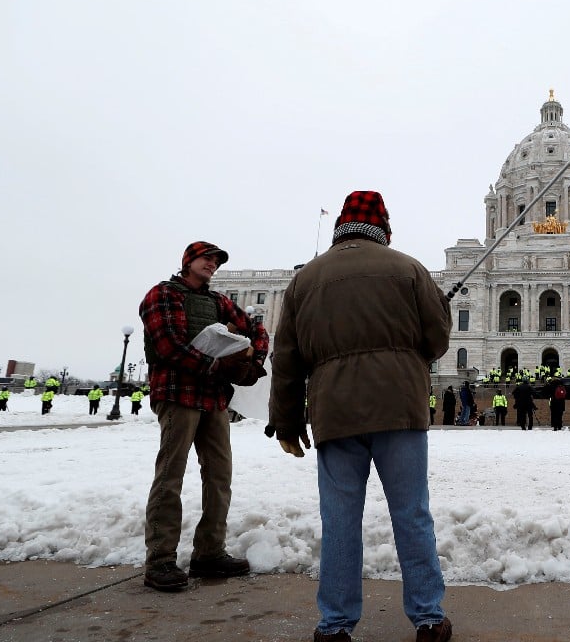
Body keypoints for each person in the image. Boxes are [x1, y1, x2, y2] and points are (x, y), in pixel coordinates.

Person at [268, 191, 453, 642]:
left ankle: (334, 625)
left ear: (340, 229)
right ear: (383, 227)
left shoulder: (305, 280)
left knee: (340, 521)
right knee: (412, 515)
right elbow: (438, 339)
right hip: (399, 409)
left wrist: (288, 423)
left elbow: (286, 359)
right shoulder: (408, 269)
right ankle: (428, 617)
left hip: (335, 412)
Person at [139, 240, 269, 592]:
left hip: (213, 398)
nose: (212, 264)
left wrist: (252, 362)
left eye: (216, 261)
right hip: (177, 394)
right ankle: (161, 559)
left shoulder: (219, 302)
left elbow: (256, 329)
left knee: (219, 475)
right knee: (171, 474)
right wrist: (216, 364)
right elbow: (168, 345)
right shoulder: (162, 295)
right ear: (188, 261)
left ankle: (209, 551)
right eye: (206, 259)